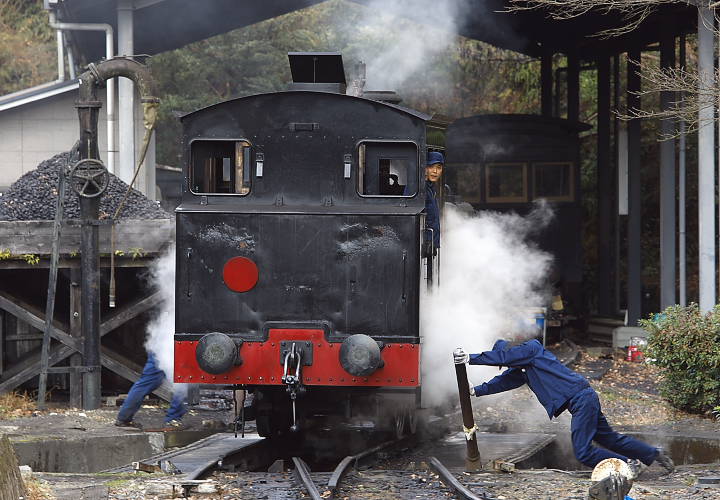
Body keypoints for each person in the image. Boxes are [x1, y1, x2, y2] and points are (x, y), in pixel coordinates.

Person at [453, 339, 675, 475]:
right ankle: (653, 453)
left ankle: (628, 465)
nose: (507, 364)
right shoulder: (525, 368)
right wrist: (477, 391)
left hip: (581, 400)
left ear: (512, 352)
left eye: (507, 360)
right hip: (583, 399)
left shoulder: (530, 349)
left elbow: (505, 355)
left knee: (583, 452)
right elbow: (504, 381)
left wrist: (470, 358)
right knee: (610, 439)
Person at [115, 352, 186, 429]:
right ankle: (173, 420)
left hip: (159, 347)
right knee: (183, 381)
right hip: (177, 346)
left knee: (145, 383)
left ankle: (123, 418)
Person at [424, 151, 443, 254]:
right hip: (423, 244)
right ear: (425, 167)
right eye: (431, 166)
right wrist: (427, 240)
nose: (435, 171)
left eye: (439, 167)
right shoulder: (419, 189)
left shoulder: (431, 189)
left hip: (430, 245)